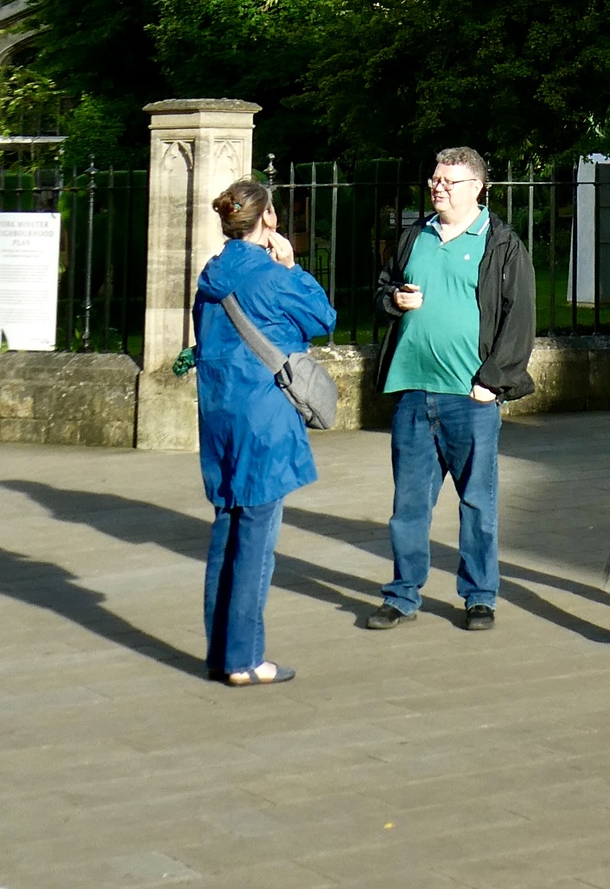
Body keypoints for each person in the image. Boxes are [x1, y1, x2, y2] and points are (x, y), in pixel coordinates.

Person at [365, 146, 536, 632]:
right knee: (409, 506)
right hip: (412, 392)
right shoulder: (413, 237)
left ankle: (479, 596)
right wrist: (394, 299)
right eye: (434, 179)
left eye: (448, 181)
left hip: (469, 397)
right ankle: (402, 594)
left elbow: (520, 319)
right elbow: (382, 289)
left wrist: (492, 382)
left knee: (477, 503)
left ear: (477, 187)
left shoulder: (501, 244)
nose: (437, 187)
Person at [193, 178, 337, 686]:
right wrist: (292, 265)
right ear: (268, 218)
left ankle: (221, 653)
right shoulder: (273, 277)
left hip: (219, 416)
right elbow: (323, 317)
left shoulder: (210, 277)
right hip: (264, 419)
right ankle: (245, 659)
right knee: (256, 540)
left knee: (226, 533)